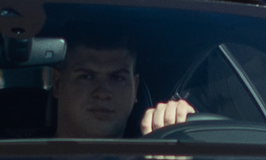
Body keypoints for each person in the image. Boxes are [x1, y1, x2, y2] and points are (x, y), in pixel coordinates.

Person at [49, 37, 195, 139]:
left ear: (135, 87)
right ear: (57, 84)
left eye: (117, 78)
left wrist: (182, 129)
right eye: (87, 76)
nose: (103, 93)